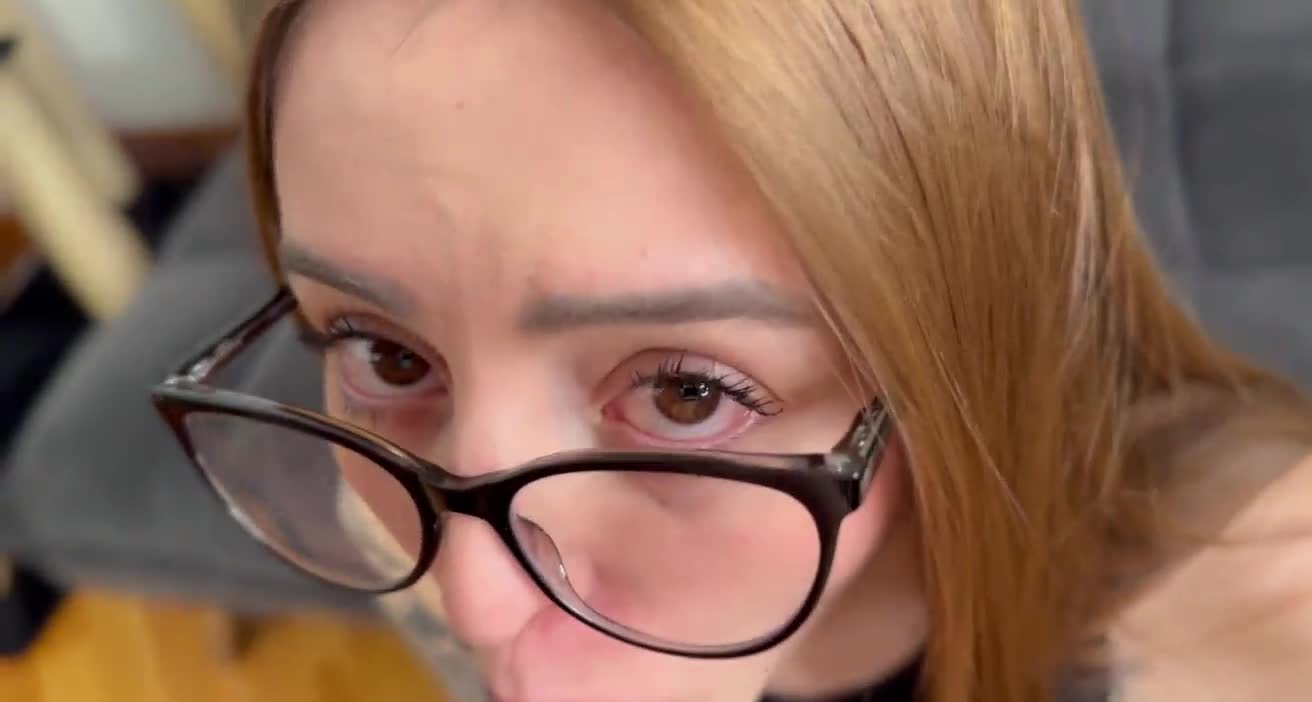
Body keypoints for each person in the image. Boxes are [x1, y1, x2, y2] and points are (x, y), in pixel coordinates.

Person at [151, 1, 1312, 700]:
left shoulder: (1261, 622)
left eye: (683, 393)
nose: (471, 601)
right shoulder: (413, 502)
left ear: (955, 342)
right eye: (385, 354)